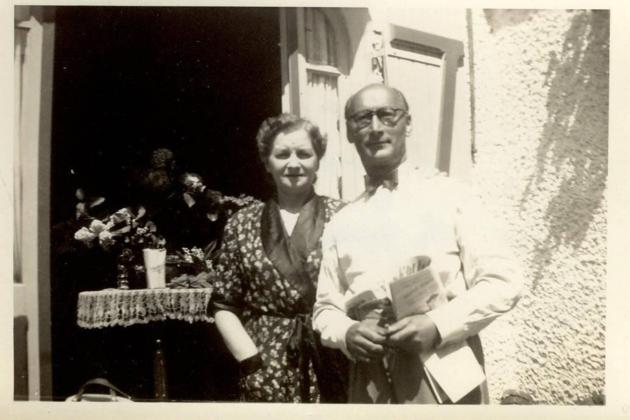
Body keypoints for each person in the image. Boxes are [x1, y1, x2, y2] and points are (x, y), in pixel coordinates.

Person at [312, 83, 522, 404]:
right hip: (371, 382)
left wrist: (438, 325)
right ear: (350, 132)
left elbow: (503, 282)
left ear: (408, 123)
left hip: (447, 367)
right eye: (363, 119)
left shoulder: (453, 196)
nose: (376, 128)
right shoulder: (341, 222)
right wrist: (347, 333)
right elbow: (326, 309)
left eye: (387, 115)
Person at [210, 113, 349, 402]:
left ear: (318, 160)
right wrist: (250, 361)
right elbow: (224, 304)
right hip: (266, 366)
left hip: (331, 360)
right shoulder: (242, 222)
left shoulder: (344, 216)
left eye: (304, 154)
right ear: (267, 162)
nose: (294, 163)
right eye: (282, 154)